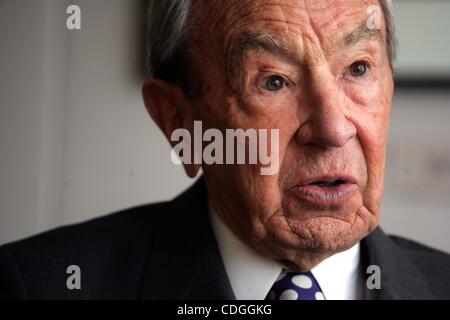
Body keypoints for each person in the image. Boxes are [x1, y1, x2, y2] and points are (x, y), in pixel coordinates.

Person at [1, 0, 449, 300]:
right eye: (273, 81)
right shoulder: (37, 284)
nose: (333, 130)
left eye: (358, 67)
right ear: (178, 121)